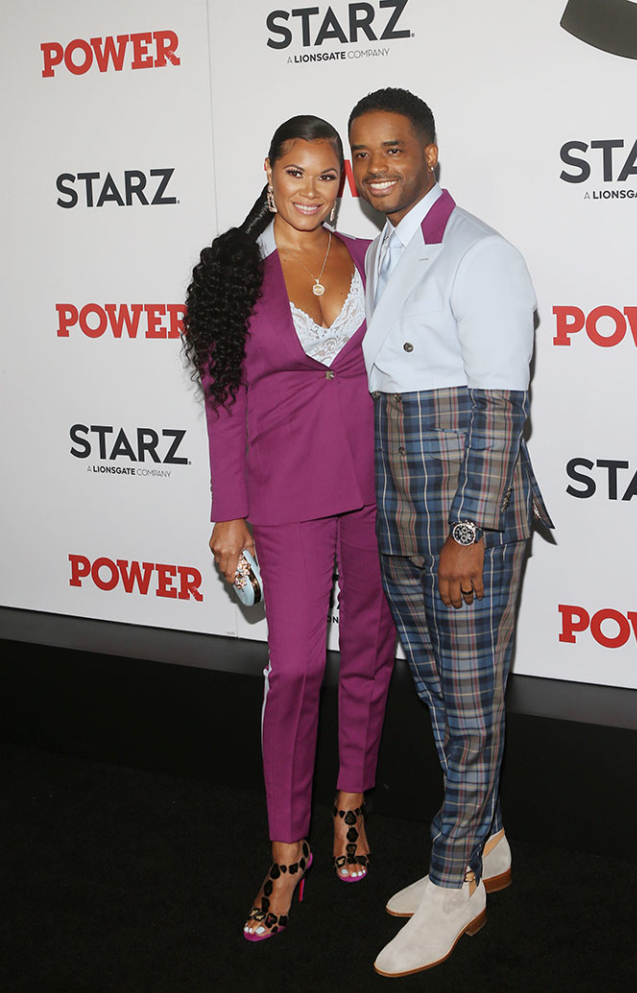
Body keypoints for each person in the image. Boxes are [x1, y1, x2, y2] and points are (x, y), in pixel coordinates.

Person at [348, 88, 553, 976]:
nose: (376, 167)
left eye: (394, 149)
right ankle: (492, 840)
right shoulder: (387, 250)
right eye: (363, 153)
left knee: (469, 709)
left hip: (464, 516)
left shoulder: (481, 255)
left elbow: (502, 413)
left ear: (430, 155)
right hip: (399, 509)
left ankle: (453, 878)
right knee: (436, 691)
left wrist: (469, 530)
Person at [183, 115, 397, 943]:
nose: (312, 192)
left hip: (374, 486)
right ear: (269, 175)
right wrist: (227, 513)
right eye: (295, 174)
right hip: (284, 495)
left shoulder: (374, 258)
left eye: (326, 176)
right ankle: (285, 850)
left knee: (372, 648)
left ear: (343, 180)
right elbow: (222, 403)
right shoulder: (236, 272)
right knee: (299, 666)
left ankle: (351, 802)